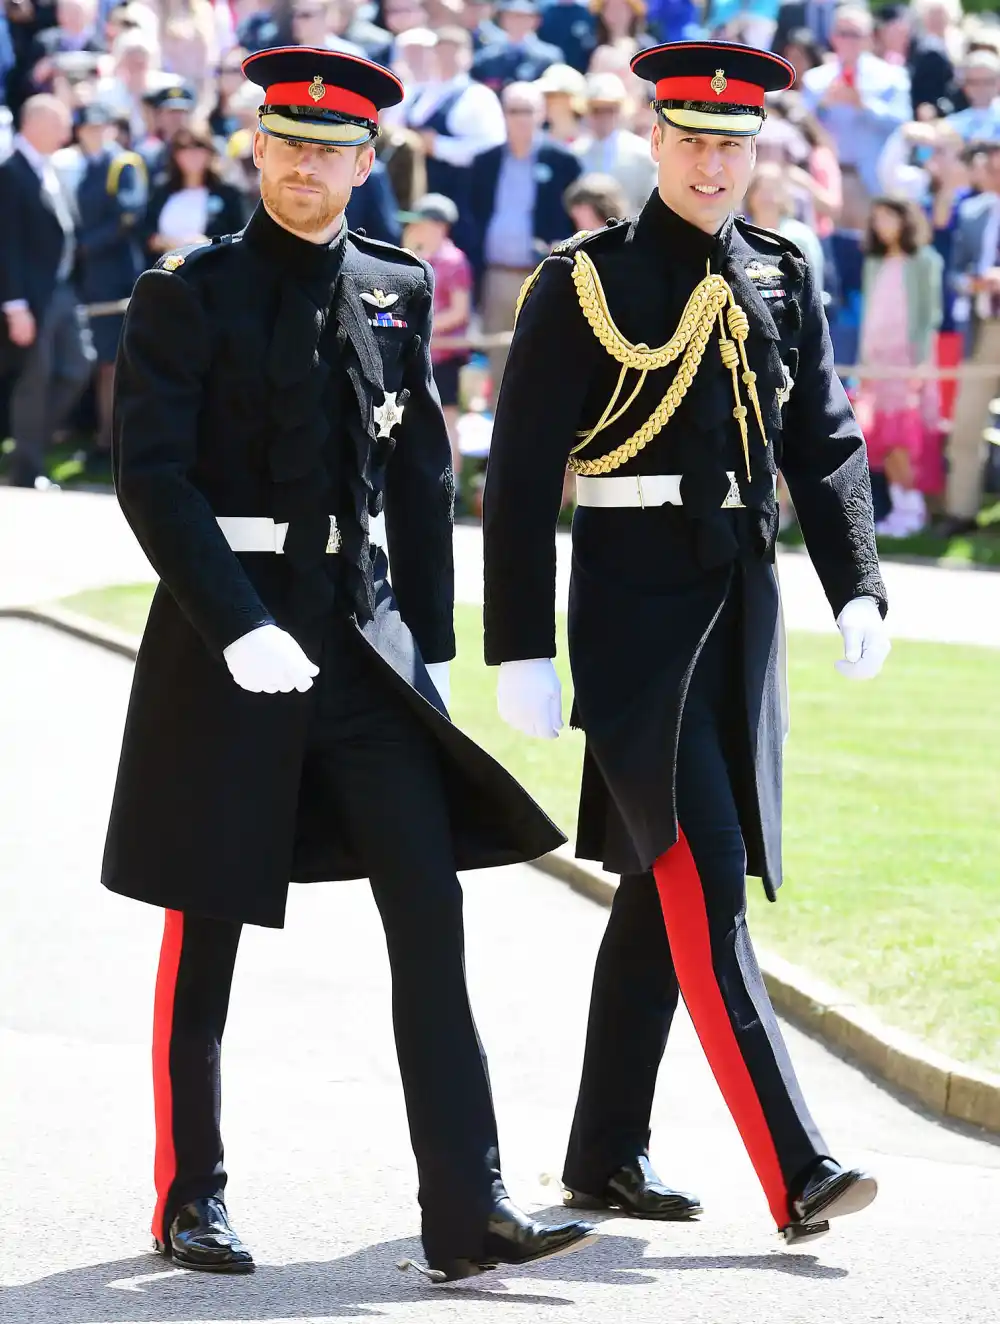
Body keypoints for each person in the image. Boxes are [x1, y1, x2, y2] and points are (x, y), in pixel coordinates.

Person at [103, 43, 596, 1283]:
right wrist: (236, 621)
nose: (304, 167)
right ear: (253, 147)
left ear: (368, 164)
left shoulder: (395, 281)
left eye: (330, 151)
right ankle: (189, 1195)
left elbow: (420, 474)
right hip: (233, 642)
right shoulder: (187, 289)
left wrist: (426, 645)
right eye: (285, 144)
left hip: (362, 649)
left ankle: (468, 1204)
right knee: (203, 917)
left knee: (431, 911)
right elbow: (151, 477)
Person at [482, 39, 890, 1245]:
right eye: (692, 140)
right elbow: (515, 479)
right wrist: (520, 645)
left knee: (659, 894)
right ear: (652, 141)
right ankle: (799, 1163)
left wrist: (856, 582)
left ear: (756, 151)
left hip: (741, 620)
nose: (714, 164)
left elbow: (821, 443)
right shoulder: (582, 278)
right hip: (630, 621)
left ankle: (603, 1153)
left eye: (734, 143)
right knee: (704, 885)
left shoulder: (779, 268)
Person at [0, 94, 94, 489]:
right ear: (34, 123)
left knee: (78, 366)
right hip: (31, 298)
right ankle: (27, 468)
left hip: (63, 291)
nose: (66, 131)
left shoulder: (49, 169)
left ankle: (28, 447)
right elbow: (6, 243)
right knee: (33, 382)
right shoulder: (11, 172)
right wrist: (15, 305)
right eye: (58, 123)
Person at [469, 79, 581, 404]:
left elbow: (576, 217)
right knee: (498, 363)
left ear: (541, 113)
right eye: (512, 110)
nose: (519, 118)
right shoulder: (484, 161)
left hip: (544, 275)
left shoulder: (563, 161)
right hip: (497, 275)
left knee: (546, 358)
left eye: (527, 111)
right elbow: (473, 215)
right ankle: (498, 448)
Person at [857, 196, 942, 536]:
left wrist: (921, 362)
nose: (882, 225)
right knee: (881, 436)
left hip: (908, 361)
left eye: (888, 218)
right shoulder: (874, 262)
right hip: (877, 362)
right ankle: (898, 507)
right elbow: (869, 317)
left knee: (908, 436)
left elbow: (929, 315)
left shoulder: (924, 261)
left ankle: (913, 509)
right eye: (876, 219)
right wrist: (865, 361)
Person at [72, 99, 147, 475]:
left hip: (117, 277)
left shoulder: (124, 164)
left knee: (115, 365)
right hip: (93, 279)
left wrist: (83, 244)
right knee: (103, 363)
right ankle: (104, 441)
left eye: (100, 127)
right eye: (87, 128)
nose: (94, 134)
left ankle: (113, 445)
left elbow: (129, 214)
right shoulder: (85, 168)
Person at [801, 6, 911, 230]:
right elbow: (802, 126)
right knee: (831, 253)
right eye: (843, 33)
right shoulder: (816, 79)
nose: (849, 41)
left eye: (856, 34)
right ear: (833, 37)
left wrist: (864, 106)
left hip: (873, 180)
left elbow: (903, 123)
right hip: (828, 180)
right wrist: (823, 106)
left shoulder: (892, 77)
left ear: (869, 38)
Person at [940, 141, 1000, 529]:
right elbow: (955, 273)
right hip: (982, 332)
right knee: (965, 426)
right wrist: (972, 284)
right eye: (989, 168)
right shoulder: (974, 211)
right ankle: (961, 513)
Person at [402, 192, 472, 478]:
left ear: (440, 226)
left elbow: (459, 311)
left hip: (444, 355)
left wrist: (422, 324)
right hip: (418, 353)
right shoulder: (414, 257)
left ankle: (451, 485)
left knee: (447, 419)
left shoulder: (454, 261)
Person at [141, 122, 246, 262]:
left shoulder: (228, 194)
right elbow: (144, 231)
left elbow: (239, 237)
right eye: (184, 148)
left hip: (210, 272)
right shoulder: (161, 190)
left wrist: (206, 243)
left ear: (209, 152)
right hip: (164, 274)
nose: (191, 154)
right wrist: (164, 242)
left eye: (198, 147)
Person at [572, 72, 656, 215]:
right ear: (586, 111)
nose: (603, 117)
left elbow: (652, 204)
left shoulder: (641, 153)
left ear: (620, 110)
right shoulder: (575, 154)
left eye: (610, 110)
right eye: (596, 110)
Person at [471, 0, 563, 96]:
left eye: (523, 17)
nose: (517, 22)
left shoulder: (549, 57)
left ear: (536, 20)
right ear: (502, 20)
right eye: (512, 16)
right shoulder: (486, 58)